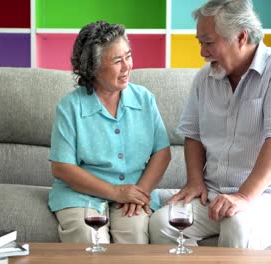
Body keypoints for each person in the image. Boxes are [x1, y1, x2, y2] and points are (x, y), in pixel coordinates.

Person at [149, 0, 271, 250]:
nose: (202, 52)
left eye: (209, 42)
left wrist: (244, 196)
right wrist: (195, 181)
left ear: (241, 36)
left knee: (236, 223)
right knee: (162, 222)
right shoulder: (204, 78)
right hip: (215, 193)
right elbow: (192, 134)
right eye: (200, 42)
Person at [48, 20, 171, 244]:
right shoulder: (70, 107)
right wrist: (116, 192)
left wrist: (139, 192)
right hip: (80, 194)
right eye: (117, 61)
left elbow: (162, 152)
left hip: (134, 191)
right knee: (89, 237)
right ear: (92, 67)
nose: (127, 66)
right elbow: (62, 167)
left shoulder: (144, 99)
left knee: (133, 235)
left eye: (128, 56)